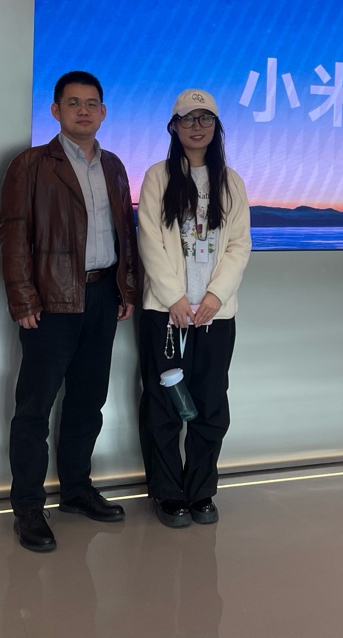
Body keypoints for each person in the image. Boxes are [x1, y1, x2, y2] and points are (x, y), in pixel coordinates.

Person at [0, 71, 139, 553]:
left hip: (102, 296)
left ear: (103, 112)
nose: (83, 110)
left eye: (92, 103)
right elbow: (14, 233)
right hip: (51, 301)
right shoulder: (32, 164)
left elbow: (125, 233)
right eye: (73, 102)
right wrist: (23, 298)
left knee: (87, 402)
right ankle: (28, 508)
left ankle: (76, 490)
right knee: (34, 409)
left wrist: (126, 286)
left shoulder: (114, 166)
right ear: (56, 110)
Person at [136, 89, 251, 528]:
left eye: (205, 118)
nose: (197, 126)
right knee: (163, 404)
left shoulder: (231, 182)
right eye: (188, 118)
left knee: (210, 403)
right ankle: (167, 493)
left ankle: (201, 490)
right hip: (165, 313)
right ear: (174, 126)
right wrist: (174, 298)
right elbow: (149, 239)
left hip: (215, 316)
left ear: (216, 127)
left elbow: (239, 245)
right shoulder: (158, 176)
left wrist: (215, 296)